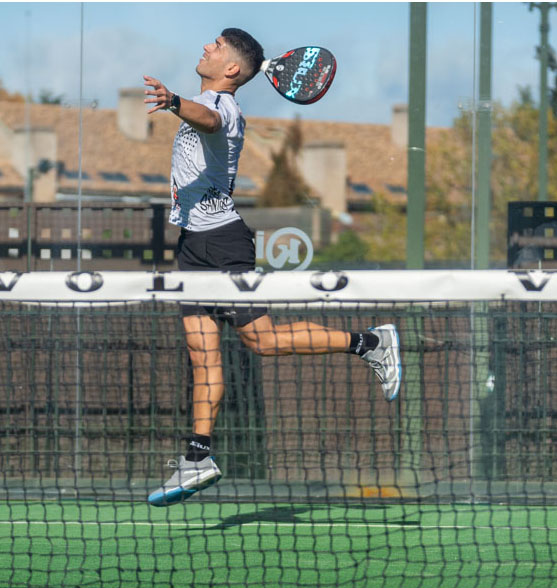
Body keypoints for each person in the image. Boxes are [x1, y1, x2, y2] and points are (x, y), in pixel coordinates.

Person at [144, 28, 401, 507]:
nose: (206, 47)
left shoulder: (223, 107)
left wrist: (174, 101)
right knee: (202, 356)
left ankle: (369, 342)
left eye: (216, 45)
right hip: (192, 246)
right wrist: (179, 103)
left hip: (222, 244)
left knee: (261, 341)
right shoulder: (206, 100)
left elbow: (208, 120)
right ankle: (198, 457)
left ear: (232, 69)